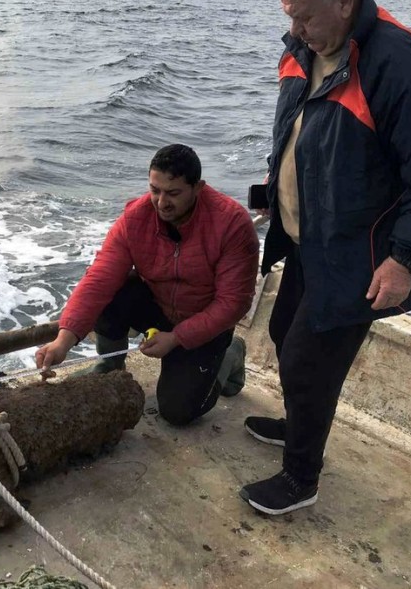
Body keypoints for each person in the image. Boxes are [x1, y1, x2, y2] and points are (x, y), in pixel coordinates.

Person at [240, 0, 411, 515]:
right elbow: (305, 135)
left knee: (306, 362)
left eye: (303, 14)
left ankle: (301, 478)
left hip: (358, 255)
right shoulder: (304, 46)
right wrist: (277, 192)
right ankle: (299, 426)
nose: (294, 27)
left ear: (344, 1)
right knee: (282, 333)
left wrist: (405, 259)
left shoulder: (397, 63)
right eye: (287, 14)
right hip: (305, 239)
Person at [35, 144, 260, 426]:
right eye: (155, 190)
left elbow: (233, 303)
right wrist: (62, 340)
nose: (161, 202)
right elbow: (99, 278)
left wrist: (176, 338)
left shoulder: (232, 224)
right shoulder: (135, 217)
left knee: (178, 412)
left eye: (173, 193)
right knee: (111, 290)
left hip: (205, 322)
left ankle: (230, 354)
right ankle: (111, 364)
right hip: (159, 306)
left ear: (198, 187)